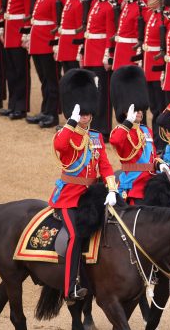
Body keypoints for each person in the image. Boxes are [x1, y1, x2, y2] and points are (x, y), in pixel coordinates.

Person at [49, 68, 118, 301]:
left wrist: (112, 189)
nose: (86, 117)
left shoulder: (97, 137)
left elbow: (106, 166)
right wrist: (70, 122)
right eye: (82, 113)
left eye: (88, 114)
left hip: (92, 196)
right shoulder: (65, 133)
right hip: (69, 196)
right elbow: (60, 147)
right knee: (75, 237)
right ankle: (69, 288)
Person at [109, 66, 163, 204]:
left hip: (152, 182)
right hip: (133, 183)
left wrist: (159, 164)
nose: (139, 112)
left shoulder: (146, 130)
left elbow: (152, 156)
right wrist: (127, 122)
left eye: (140, 110)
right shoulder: (121, 130)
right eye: (135, 110)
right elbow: (115, 141)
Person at [23, 0, 66, 129]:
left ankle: (52, 114)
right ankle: (45, 110)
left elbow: (58, 22)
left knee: (52, 80)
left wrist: (56, 44)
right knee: (44, 79)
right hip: (38, 41)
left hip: (47, 42)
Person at [82, 0, 117, 140]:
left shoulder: (110, 5)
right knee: (92, 92)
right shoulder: (95, 2)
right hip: (90, 51)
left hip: (100, 53)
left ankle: (103, 128)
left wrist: (108, 55)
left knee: (103, 92)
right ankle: (93, 125)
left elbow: (110, 32)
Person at [0, 0, 34, 120]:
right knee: (11, 71)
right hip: (9, 32)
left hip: (18, 33)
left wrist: (25, 33)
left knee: (21, 72)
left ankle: (21, 106)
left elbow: (27, 13)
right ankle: (12, 104)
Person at [140, 0, 168, 151]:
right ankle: (155, 140)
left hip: (159, 68)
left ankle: (161, 143)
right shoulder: (150, 16)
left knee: (160, 108)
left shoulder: (165, 18)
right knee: (153, 107)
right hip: (149, 67)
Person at [111, 0, 148, 70]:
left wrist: (139, 54)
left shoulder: (140, 6)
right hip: (120, 50)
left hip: (131, 51)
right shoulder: (127, 4)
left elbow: (140, 34)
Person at [54, 0, 85, 73]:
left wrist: (80, 51)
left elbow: (81, 28)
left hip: (73, 47)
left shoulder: (80, 1)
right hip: (64, 45)